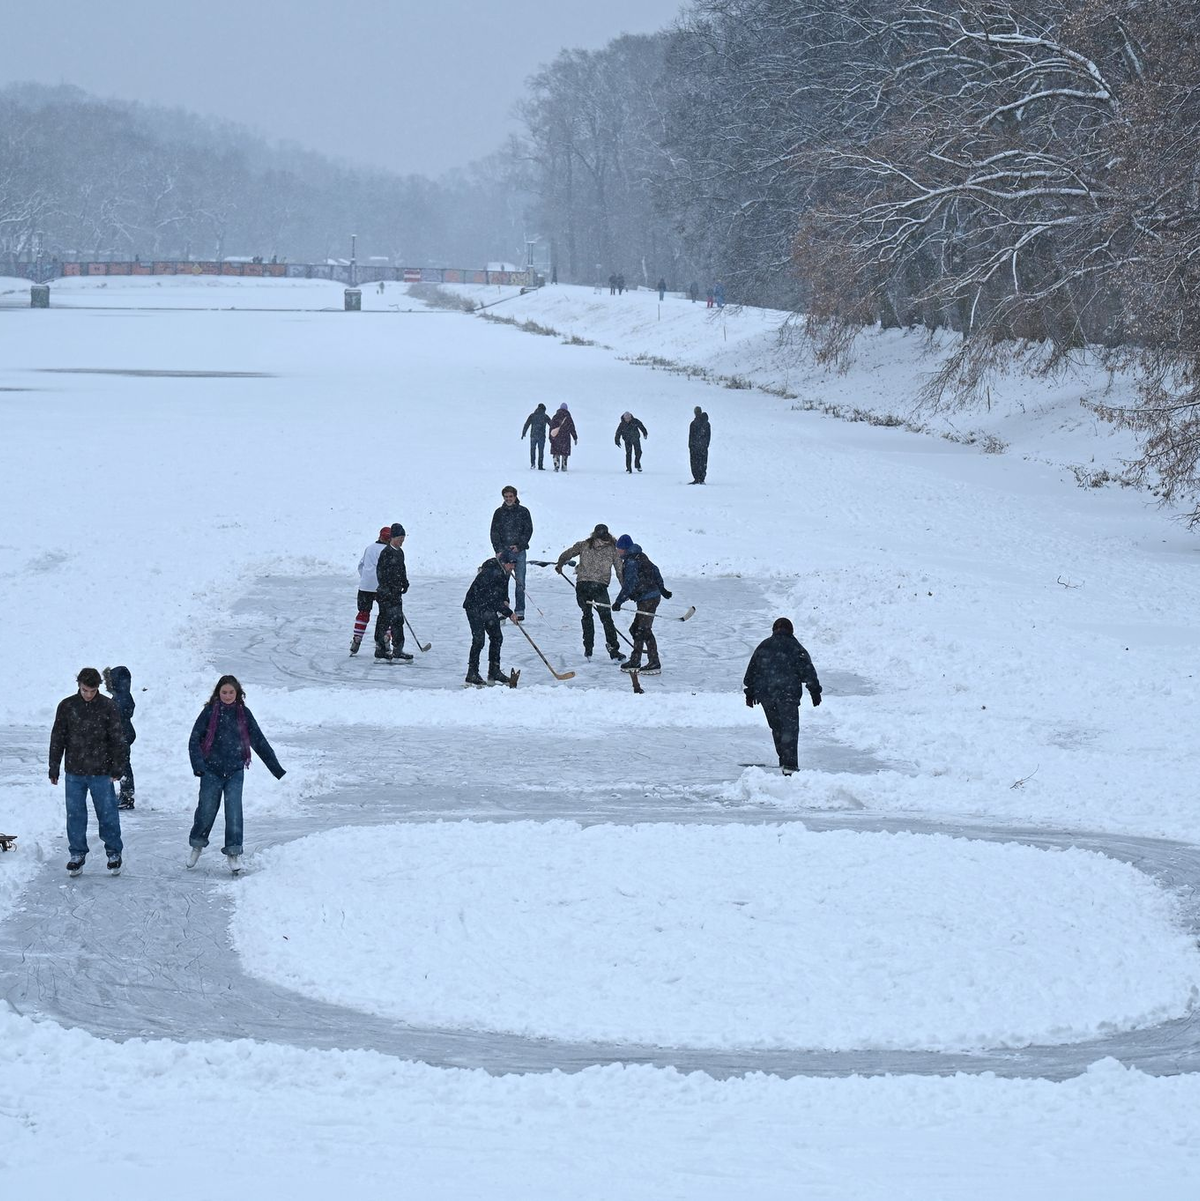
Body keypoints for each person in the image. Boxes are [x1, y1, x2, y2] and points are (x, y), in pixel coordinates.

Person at [187, 675, 286, 873]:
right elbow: (194, 739)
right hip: (211, 770)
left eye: (231, 692)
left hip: (235, 770)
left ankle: (233, 852)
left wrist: (276, 768)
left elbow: (258, 741)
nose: (227, 696)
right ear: (218, 693)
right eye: (224, 692)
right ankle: (197, 845)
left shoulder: (243, 714)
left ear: (237, 693)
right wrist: (198, 766)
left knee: (234, 812)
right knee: (206, 810)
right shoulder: (209, 712)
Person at [49, 667, 128, 876]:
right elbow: (58, 737)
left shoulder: (108, 706)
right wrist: (54, 766)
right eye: (85, 690)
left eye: (92, 691)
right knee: (75, 815)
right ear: (79, 686)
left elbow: (118, 739)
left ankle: (113, 853)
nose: (88, 694)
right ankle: (77, 854)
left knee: (108, 814)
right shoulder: (67, 706)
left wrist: (118, 767)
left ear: (98, 688)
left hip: (101, 772)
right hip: (74, 771)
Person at [743, 618, 822, 775]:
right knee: (790, 730)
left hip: (766, 695)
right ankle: (789, 766)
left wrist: (750, 693)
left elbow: (751, 672)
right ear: (791, 630)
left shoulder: (764, 646)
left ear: (773, 629)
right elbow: (807, 670)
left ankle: (783, 760)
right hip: (788, 696)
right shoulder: (795, 647)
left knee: (777, 728)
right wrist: (815, 691)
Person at [555, 523, 624, 660]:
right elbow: (620, 571)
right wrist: (626, 590)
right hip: (599, 587)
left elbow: (567, 554)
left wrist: (560, 564)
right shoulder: (612, 549)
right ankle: (613, 648)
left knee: (587, 615)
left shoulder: (584, 544)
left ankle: (588, 648)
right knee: (606, 618)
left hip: (583, 586)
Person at [612, 535, 672, 674]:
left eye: (619, 549)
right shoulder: (640, 556)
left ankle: (646, 662)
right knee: (636, 629)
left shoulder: (632, 561)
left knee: (641, 630)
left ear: (625, 549)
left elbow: (630, 584)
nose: (617, 551)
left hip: (648, 599)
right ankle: (644, 660)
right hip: (650, 597)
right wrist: (661, 588)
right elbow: (655, 570)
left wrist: (619, 601)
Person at [463, 549, 520, 686]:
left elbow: (502, 589)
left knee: (496, 637)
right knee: (479, 640)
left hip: (488, 607)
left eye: (514, 565)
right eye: (511, 564)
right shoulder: (491, 572)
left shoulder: (505, 571)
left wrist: (505, 599)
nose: (513, 568)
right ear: (504, 562)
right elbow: (493, 598)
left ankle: (494, 670)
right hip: (475, 606)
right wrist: (509, 613)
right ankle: (472, 673)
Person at [489, 485, 532, 620]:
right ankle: (503, 609)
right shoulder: (499, 513)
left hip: (519, 551)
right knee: (502, 582)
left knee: (520, 582)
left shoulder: (523, 512)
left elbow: (528, 530)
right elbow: (494, 532)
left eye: (510, 496)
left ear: (515, 497)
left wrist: (519, 546)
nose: (508, 499)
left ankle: (520, 610)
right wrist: (499, 549)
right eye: (506, 497)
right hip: (504, 552)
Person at [351, 526, 392, 655]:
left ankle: (357, 638)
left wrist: (367, 579)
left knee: (363, 612)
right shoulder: (389, 550)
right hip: (382, 587)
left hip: (365, 586)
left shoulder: (369, 548)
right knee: (387, 614)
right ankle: (386, 638)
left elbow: (361, 566)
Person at [374, 523, 412, 661]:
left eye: (404, 537)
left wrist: (404, 582)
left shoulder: (400, 552)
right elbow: (381, 574)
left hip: (396, 593)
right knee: (384, 621)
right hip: (385, 594)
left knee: (398, 620)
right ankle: (380, 649)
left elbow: (402, 570)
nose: (402, 540)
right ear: (393, 538)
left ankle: (398, 649)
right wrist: (386, 589)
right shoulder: (386, 553)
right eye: (400, 537)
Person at [103, 665, 137, 809]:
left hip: (121, 735)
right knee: (122, 763)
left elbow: (119, 717)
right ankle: (126, 793)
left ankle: (127, 796)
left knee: (123, 765)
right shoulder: (121, 696)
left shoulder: (121, 698)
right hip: (123, 734)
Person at [521, 402, 551, 470]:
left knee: (532, 450)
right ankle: (540, 465)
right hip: (541, 436)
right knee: (541, 451)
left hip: (533, 436)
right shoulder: (545, 416)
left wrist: (523, 433)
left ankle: (532, 464)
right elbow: (551, 424)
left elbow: (527, 424)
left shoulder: (532, 415)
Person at [549, 403, 578, 472]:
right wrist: (575, 437)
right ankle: (564, 466)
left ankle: (556, 465)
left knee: (556, 452)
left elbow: (551, 428)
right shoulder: (568, 418)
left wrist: (550, 437)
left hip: (556, 438)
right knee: (565, 453)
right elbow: (572, 428)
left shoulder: (555, 416)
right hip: (565, 438)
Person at [688, 406, 711, 484]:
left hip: (696, 448)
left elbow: (691, 437)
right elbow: (708, 437)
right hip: (702, 448)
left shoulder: (694, 423)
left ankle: (698, 478)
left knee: (695, 463)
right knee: (702, 463)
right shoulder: (706, 423)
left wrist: (691, 446)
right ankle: (700, 478)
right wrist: (705, 445)